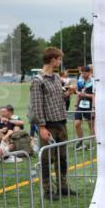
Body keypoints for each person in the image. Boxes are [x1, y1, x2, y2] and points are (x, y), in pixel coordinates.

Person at [28, 47, 74, 200]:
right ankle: (48, 190)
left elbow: (60, 98)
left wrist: (68, 93)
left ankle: (63, 187)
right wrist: (41, 127)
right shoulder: (37, 80)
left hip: (61, 123)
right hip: (47, 125)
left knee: (62, 157)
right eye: (59, 59)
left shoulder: (55, 77)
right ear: (53, 59)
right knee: (47, 158)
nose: (60, 62)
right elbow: (37, 105)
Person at [74, 65, 95, 147]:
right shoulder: (80, 81)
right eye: (82, 73)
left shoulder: (93, 82)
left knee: (91, 125)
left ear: (89, 72)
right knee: (77, 124)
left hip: (90, 105)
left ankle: (91, 143)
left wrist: (93, 108)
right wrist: (76, 105)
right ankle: (80, 142)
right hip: (80, 105)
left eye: (85, 73)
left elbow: (94, 96)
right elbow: (78, 94)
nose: (83, 74)